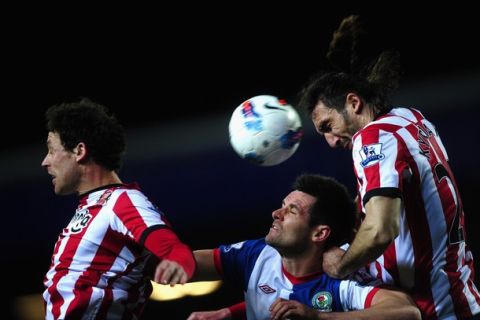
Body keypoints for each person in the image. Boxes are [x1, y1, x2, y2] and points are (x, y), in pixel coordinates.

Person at [298, 15, 480, 319]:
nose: (330, 141)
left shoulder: (371, 138)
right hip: (463, 295)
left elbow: (382, 228)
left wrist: (341, 266)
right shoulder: (412, 119)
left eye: (328, 126)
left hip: (434, 308)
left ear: (354, 103)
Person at [41, 98, 196, 319]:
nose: (45, 161)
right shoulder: (92, 206)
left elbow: (173, 249)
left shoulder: (123, 201)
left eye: (51, 149)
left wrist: (179, 264)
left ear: (79, 151)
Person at [187, 174, 420, 320]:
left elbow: (407, 312)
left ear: (319, 233)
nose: (276, 214)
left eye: (292, 211)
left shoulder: (343, 281)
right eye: (282, 206)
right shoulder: (257, 255)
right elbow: (188, 264)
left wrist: (319, 316)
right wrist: (228, 313)